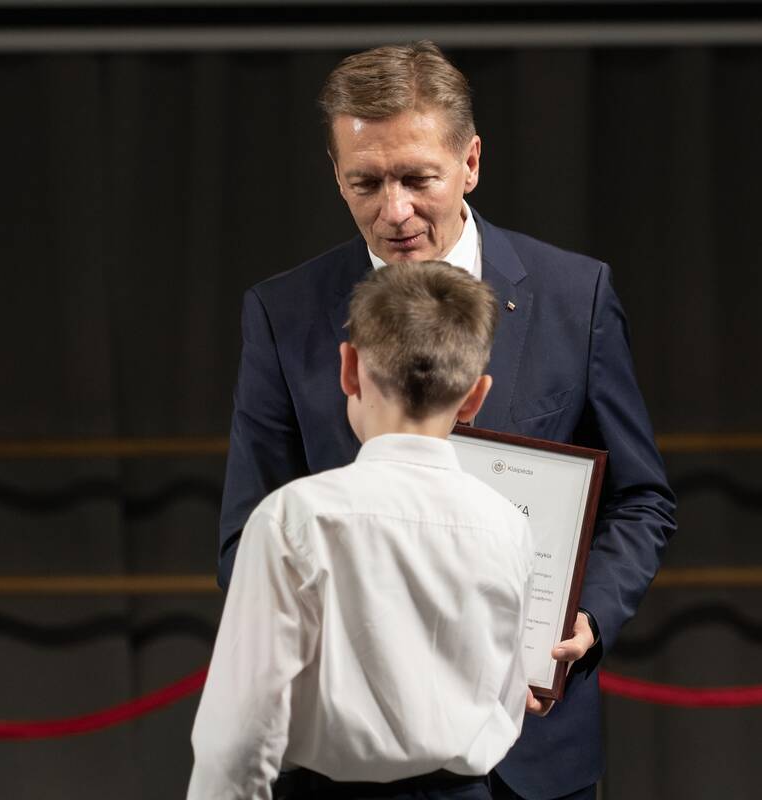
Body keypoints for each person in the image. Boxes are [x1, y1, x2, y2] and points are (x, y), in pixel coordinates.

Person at [217, 41, 676, 800]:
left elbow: (641, 499)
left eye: (416, 178)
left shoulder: (575, 296)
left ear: (470, 162)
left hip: (529, 759)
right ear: (335, 174)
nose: (393, 211)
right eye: (365, 182)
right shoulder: (282, 313)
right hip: (348, 755)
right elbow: (248, 537)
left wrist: (589, 617)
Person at [189, 262, 534, 800]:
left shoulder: (294, 519)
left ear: (348, 368)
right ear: (475, 397)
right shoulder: (509, 525)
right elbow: (508, 700)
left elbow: (239, 735)